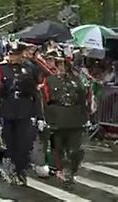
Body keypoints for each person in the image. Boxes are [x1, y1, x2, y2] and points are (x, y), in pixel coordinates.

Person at [0, 40, 44, 186]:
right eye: (11, 54)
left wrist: (39, 115)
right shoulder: (1, 69)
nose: (14, 57)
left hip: (25, 109)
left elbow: (35, 93)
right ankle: (4, 166)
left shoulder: (29, 68)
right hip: (8, 109)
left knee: (24, 143)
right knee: (9, 142)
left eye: (16, 54)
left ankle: (20, 171)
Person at [42, 50, 87, 184]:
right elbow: (45, 100)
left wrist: (85, 118)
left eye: (64, 65)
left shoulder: (76, 81)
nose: (62, 68)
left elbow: (82, 99)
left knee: (75, 150)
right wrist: (46, 118)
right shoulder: (49, 80)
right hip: (57, 118)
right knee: (58, 149)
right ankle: (60, 170)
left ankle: (72, 170)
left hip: (75, 119)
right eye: (59, 65)